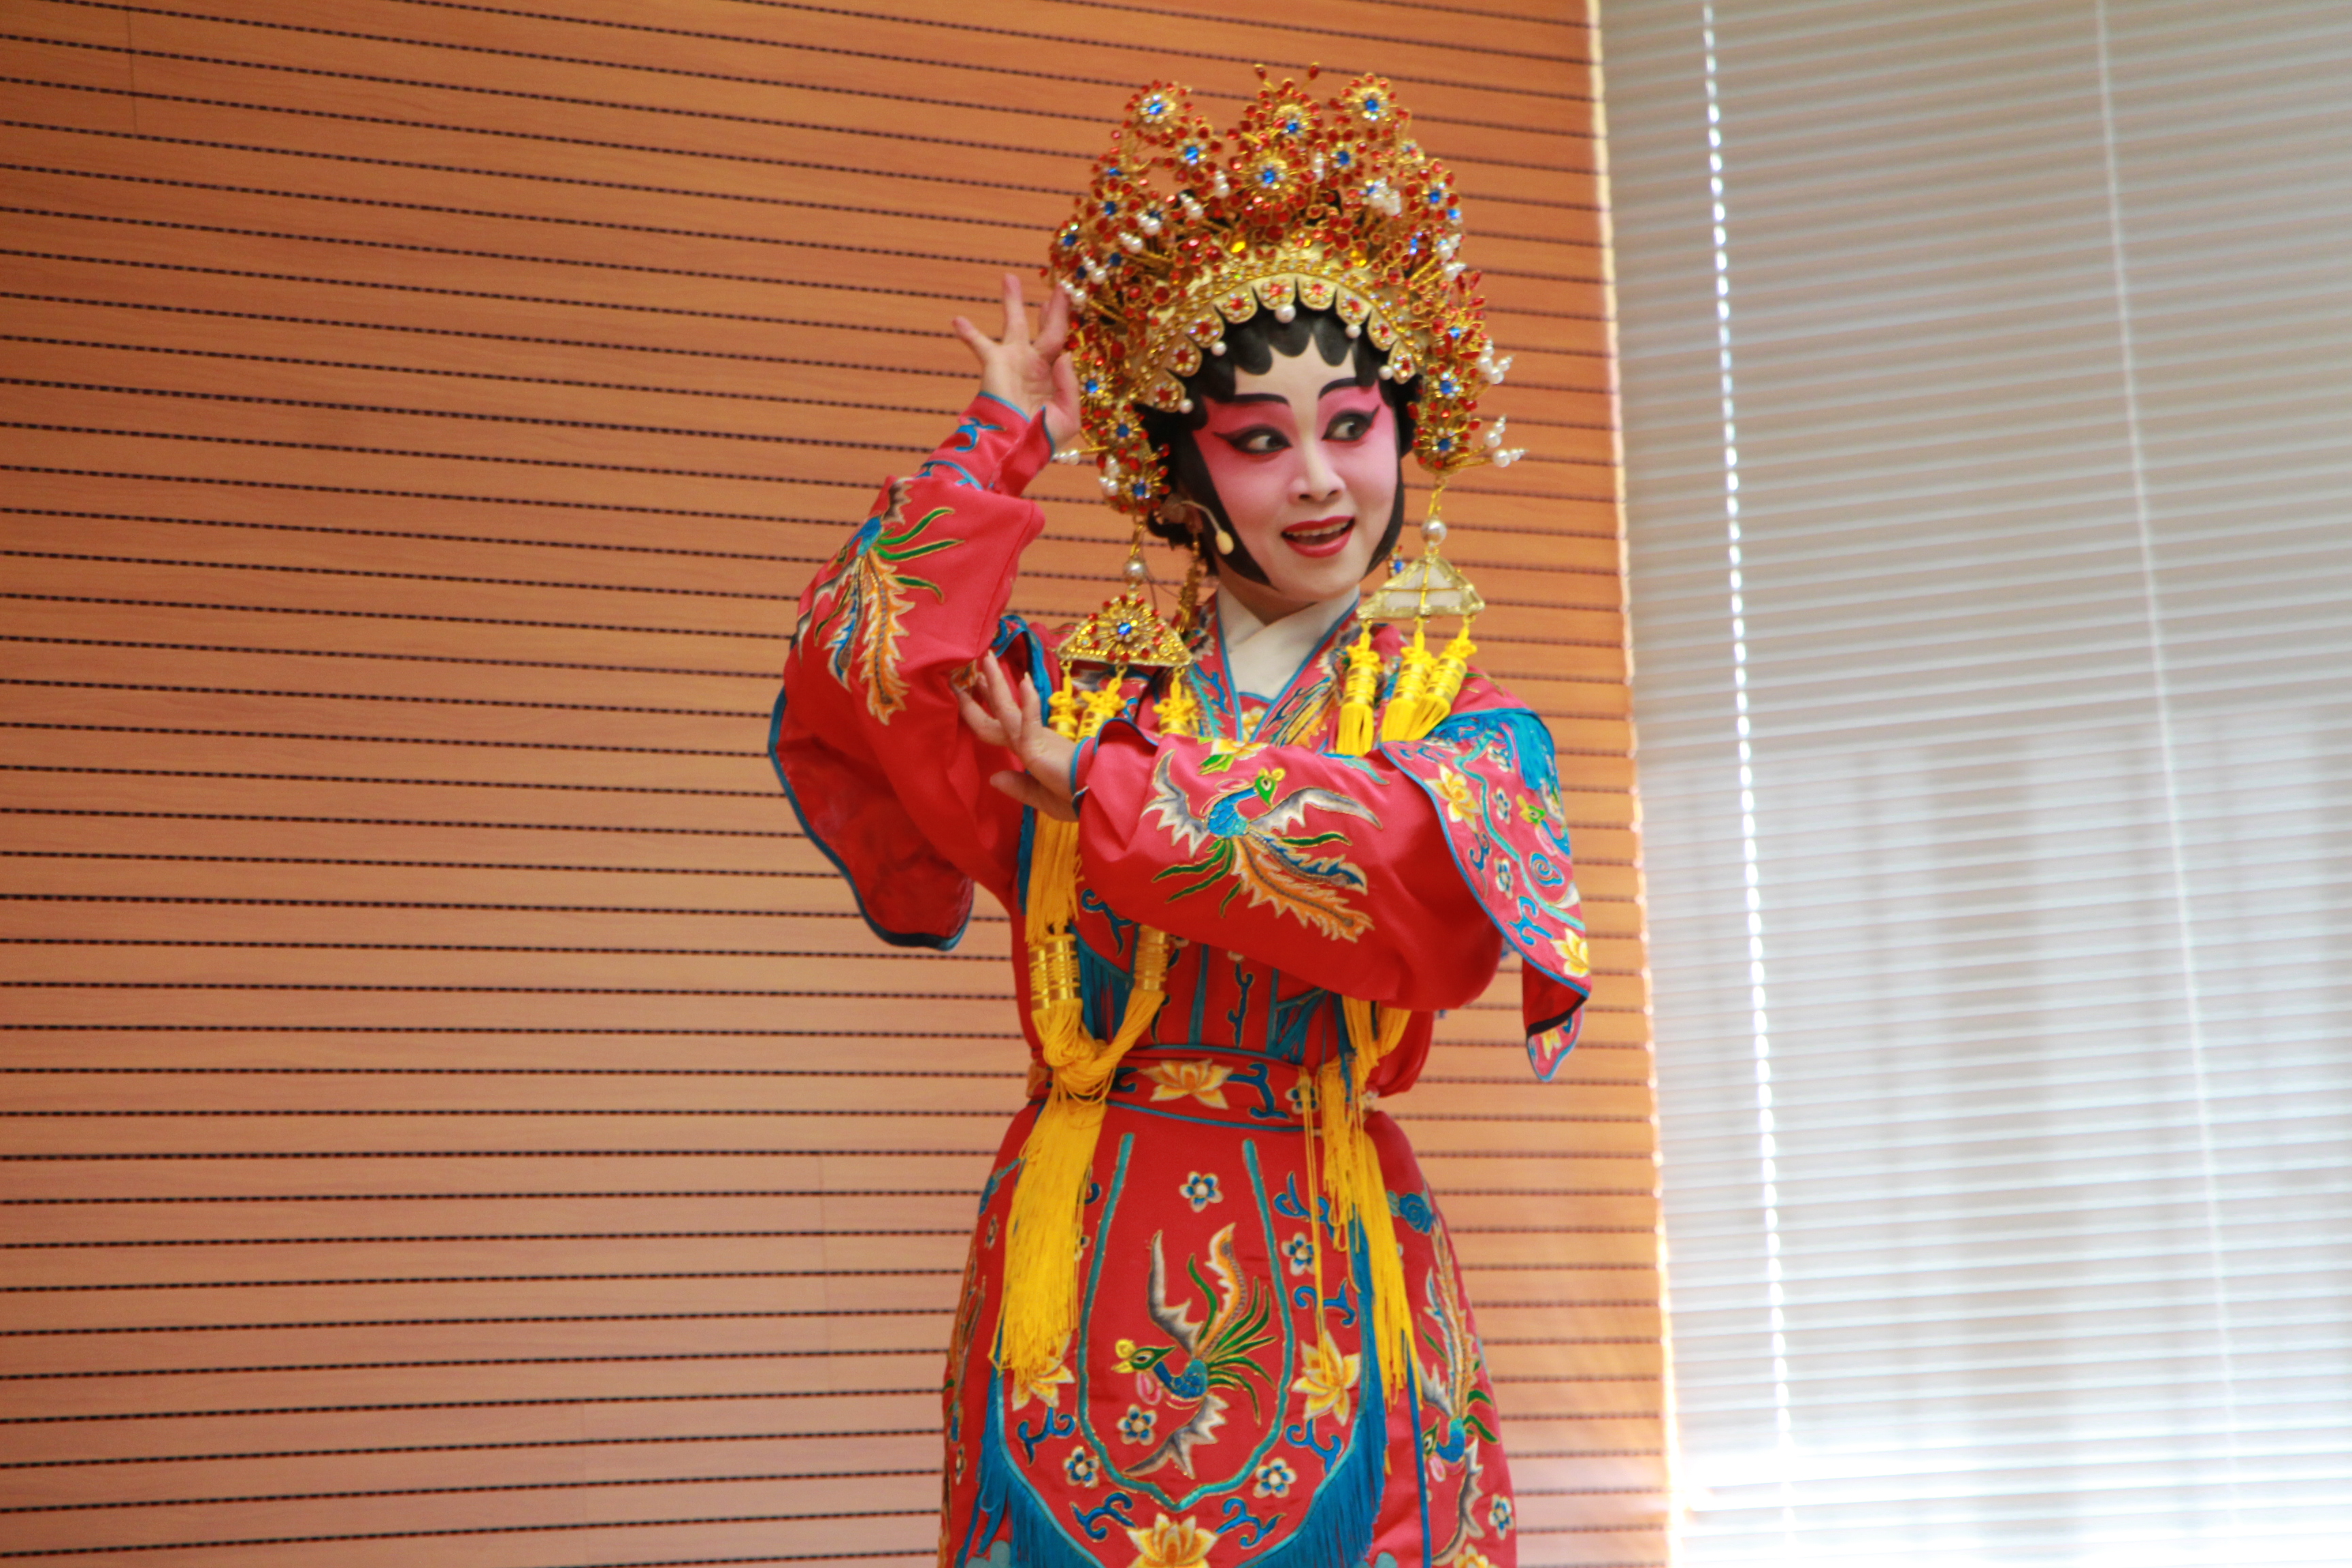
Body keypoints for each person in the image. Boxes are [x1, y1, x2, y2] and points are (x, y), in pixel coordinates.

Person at [772, 71, 1591, 1568]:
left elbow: (1401, 880)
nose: (1320, 481)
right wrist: (997, 442)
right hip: (1075, 1264)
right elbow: (861, 667)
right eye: (1260, 440)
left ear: (1407, 431)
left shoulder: (1459, 726)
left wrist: (1101, 789)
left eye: (1352, 425)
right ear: (1182, 464)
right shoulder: (1068, 695)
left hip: (1334, 1253)